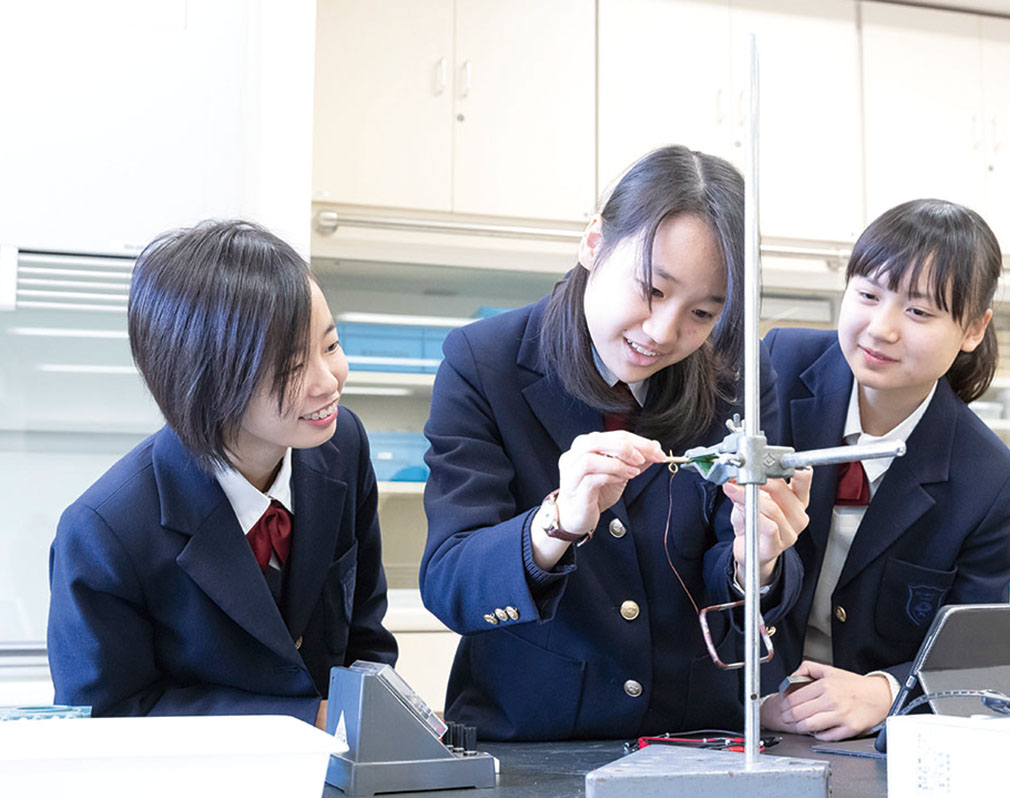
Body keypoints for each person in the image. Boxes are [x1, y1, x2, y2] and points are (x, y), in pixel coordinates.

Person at [420, 145, 812, 740]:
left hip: (692, 740)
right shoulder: (484, 362)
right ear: (594, 243)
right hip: (532, 740)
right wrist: (555, 523)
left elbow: (745, 606)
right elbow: (451, 581)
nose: (664, 333)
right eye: (653, 290)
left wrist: (753, 562)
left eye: (703, 313)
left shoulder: (739, 378)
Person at [47, 220, 397, 725]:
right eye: (291, 366)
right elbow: (109, 716)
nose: (329, 382)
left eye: (331, 345)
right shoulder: (103, 531)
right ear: (206, 380)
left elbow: (366, 633)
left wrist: (373, 726)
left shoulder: (341, 446)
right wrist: (305, 719)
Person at [760, 198, 1010, 741]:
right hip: (740, 722)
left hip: (877, 746)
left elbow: (979, 660)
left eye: (919, 312)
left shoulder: (987, 477)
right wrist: (753, 697)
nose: (881, 329)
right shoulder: (776, 371)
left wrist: (883, 692)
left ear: (973, 329)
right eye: (868, 295)